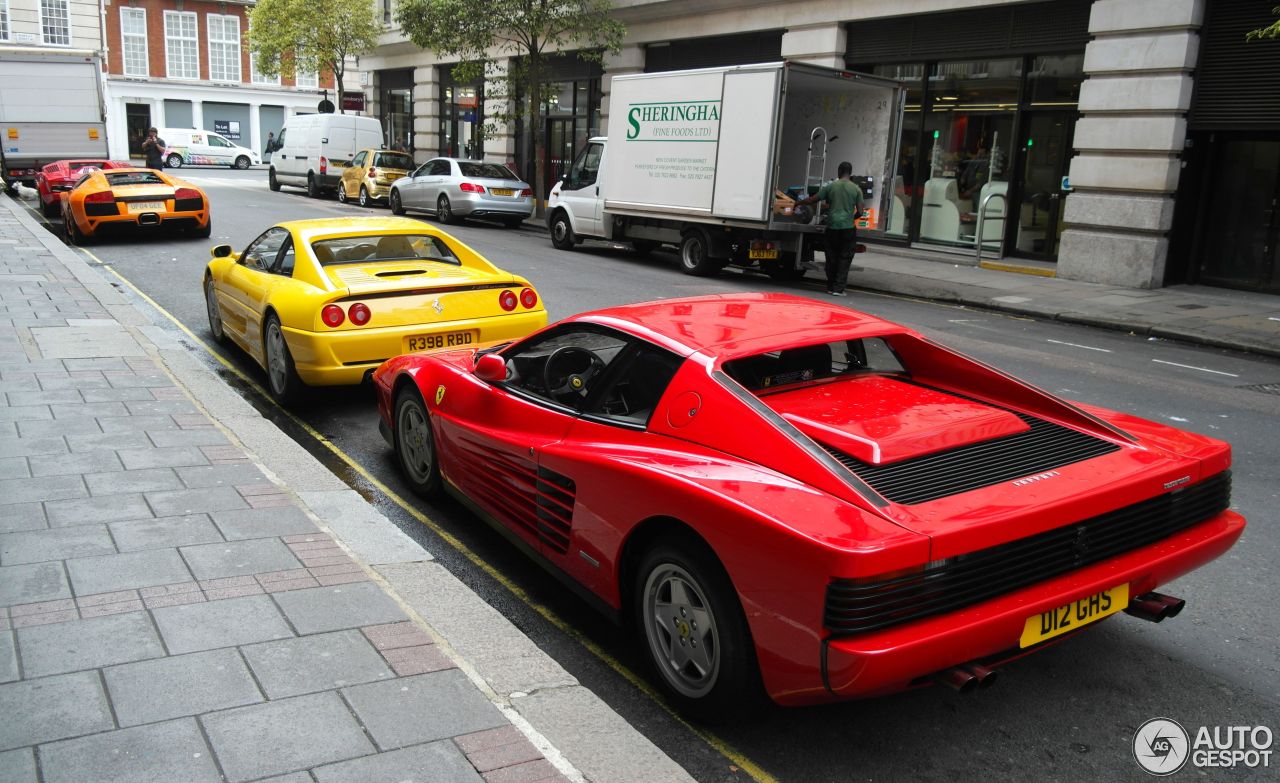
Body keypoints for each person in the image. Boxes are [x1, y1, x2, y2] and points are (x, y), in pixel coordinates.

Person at [798, 161, 865, 296]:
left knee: (831, 256)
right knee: (844, 258)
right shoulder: (856, 189)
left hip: (832, 226)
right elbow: (861, 211)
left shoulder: (831, 186)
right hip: (848, 228)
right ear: (850, 173)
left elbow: (813, 200)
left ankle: (830, 286)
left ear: (839, 171)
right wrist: (851, 218)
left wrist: (798, 202)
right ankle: (838, 289)